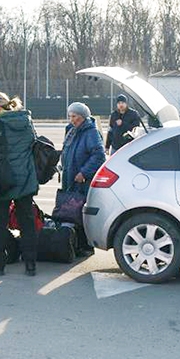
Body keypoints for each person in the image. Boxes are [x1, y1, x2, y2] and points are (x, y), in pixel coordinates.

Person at [0, 92, 39, 276]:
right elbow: (33, 143)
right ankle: (30, 264)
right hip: (26, 177)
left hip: (3, 178)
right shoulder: (27, 120)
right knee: (27, 222)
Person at [61, 102, 106, 256]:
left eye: (75, 116)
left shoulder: (91, 132)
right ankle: (74, 243)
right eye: (70, 116)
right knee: (70, 211)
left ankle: (85, 246)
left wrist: (84, 173)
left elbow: (99, 155)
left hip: (81, 180)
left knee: (80, 212)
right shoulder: (71, 130)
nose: (72, 120)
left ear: (83, 117)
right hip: (69, 176)